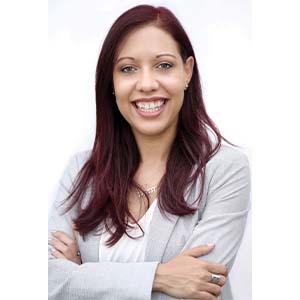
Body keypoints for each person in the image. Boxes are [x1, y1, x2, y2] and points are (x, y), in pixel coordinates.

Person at [48, 4, 250, 300]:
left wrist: (81, 273)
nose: (146, 83)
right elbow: (46, 280)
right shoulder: (81, 170)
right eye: (128, 68)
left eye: (164, 65)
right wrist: (161, 276)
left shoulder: (226, 169)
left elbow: (198, 289)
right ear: (112, 83)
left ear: (187, 72)